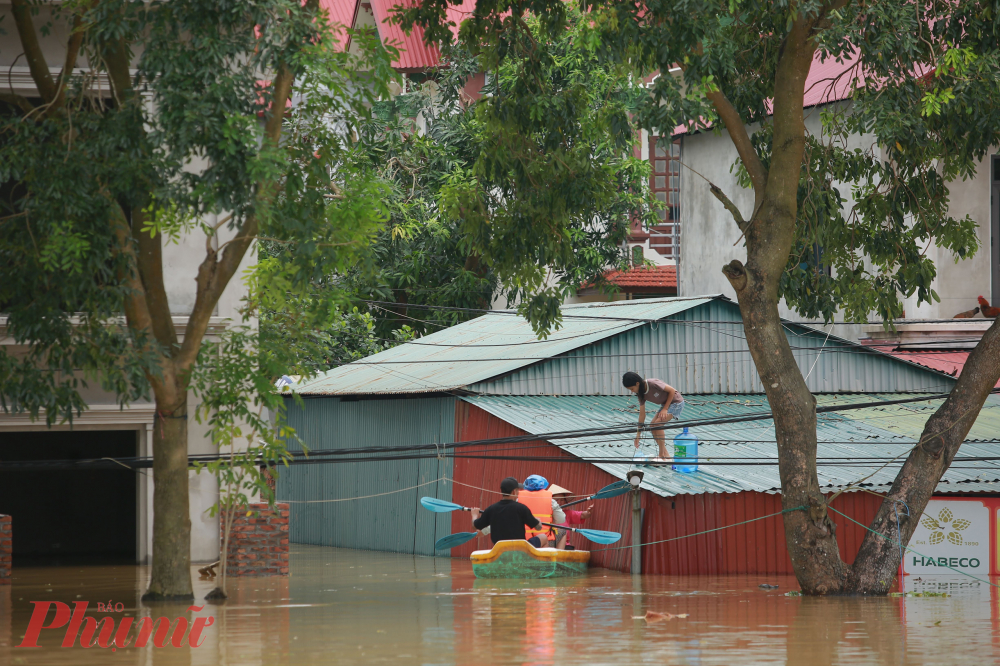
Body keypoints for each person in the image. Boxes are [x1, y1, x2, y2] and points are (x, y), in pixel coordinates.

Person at [477, 475, 565, 546]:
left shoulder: (517, 501)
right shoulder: (551, 501)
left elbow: (501, 519)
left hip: (521, 541)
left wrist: (483, 531)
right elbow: (561, 519)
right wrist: (549, 518)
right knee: (562, 531)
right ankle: (557, 561)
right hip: (540, 542)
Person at [623, 371, 684, 463]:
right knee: (652, 426)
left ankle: (661, 455)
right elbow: (642, 414)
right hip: (665, 405)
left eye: (632, 388)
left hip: (676, 402)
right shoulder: (640, 394)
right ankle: (666, 456)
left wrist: (665, 409)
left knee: (658, 424)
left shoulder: (653, 383)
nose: (632, 391)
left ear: (637, 383)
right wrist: (638, 435)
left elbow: (672, 391)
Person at [548, 484, 593, 550]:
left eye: (562, 500)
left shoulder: (567, 513)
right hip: (549, 543)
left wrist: (588, 512)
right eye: (556, 500)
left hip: (565, 545)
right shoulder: (545, 513)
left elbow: (583, 515)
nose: (559, 503)